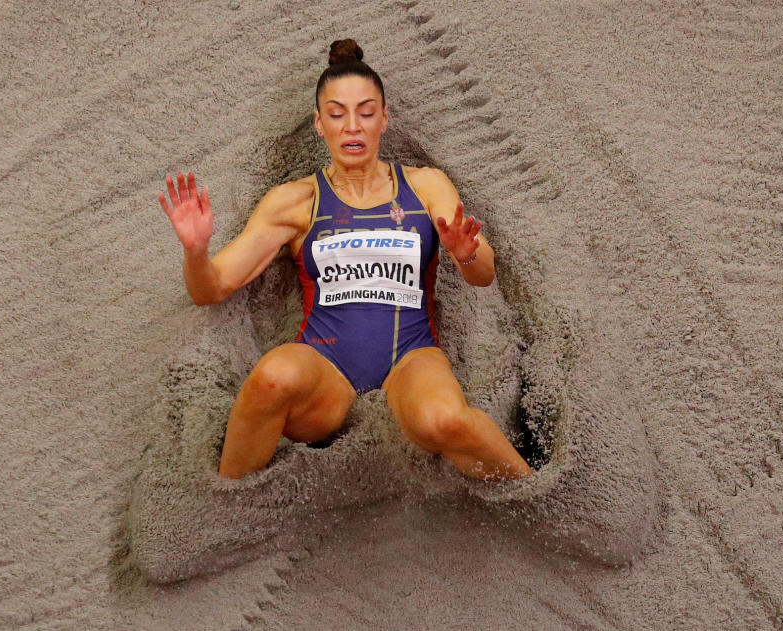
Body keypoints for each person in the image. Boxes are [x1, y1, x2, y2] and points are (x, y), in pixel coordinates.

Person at [158, 39, 533, 482]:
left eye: (366, 112)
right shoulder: (295, 201)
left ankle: (544, 496)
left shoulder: (426, 187)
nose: (352, 126)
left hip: (411, 359)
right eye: (336, 114)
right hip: (324, 369)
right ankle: (224, 506)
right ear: (319, 124)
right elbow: (211, 289)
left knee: (445, 422)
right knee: (270, 379)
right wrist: (195, 250)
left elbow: (484, 276)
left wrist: (467, 254)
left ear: (385, 119)